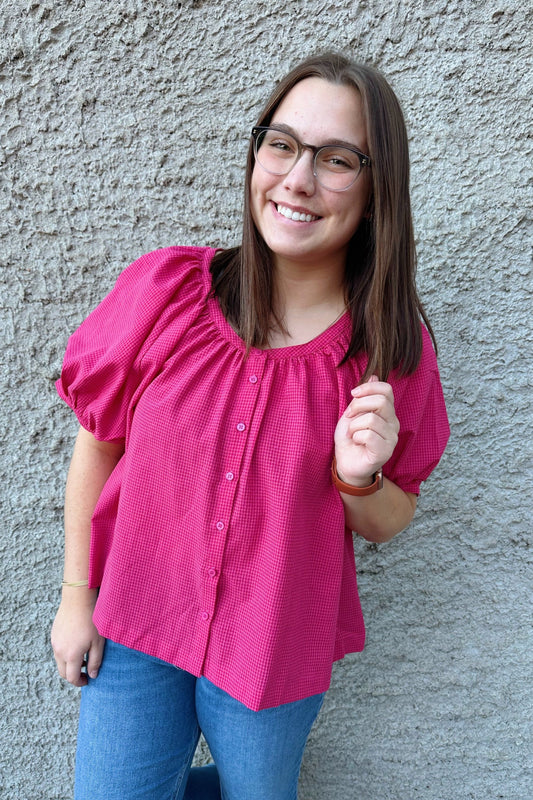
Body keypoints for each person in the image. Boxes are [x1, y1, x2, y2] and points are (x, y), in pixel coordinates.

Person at [51, 52, 450, 800]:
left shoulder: (390, 347)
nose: (297, 179)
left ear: (375, 189)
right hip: (134, 625)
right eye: (281, 144)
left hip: (273, 649)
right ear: (257, 153)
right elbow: (97, 446)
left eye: (337, 159)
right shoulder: (165, 292)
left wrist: (358, 477)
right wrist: (76, 600)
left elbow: (390, 519)